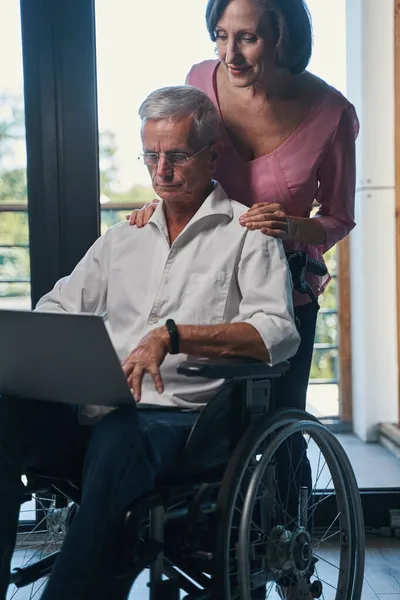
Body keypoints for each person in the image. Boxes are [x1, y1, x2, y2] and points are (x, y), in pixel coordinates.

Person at [0, 86, 300, 600]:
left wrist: (174, 336)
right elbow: (57, 308)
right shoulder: (123, 238)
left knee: (123, 434)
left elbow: (277, 333)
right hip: (100, 412)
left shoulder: (248, 234)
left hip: (187, 424)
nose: (161, 169)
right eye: (151, 154)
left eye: (177, 155)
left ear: (213, 155)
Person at [128, 0, 358, 420]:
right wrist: (163, 202)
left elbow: (339, 218)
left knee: (281, 426)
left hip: (283, 291)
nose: (229, 55)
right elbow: (189, 161)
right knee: (201, 428)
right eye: (220, 36)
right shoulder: (200, 80)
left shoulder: (331, 113)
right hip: (204, 282)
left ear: (282, 36)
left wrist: (290, 225)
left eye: (247, 38)